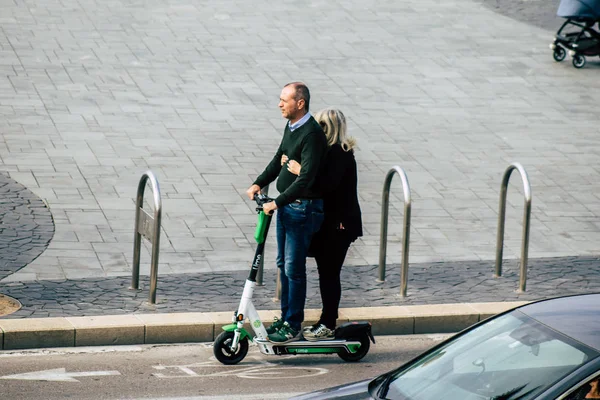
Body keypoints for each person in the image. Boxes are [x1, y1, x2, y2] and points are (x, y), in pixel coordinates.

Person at [246, 82, 327, 343]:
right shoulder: (292, 127)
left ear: (300, 103)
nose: (280, 104)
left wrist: (277, 202)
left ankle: (293, 324)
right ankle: (285, 318)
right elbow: (278, 157)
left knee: (293, 268)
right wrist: (258, 182)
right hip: (286, 207)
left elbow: (305, 180)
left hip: (301, 209)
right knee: (282, 265)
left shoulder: (311, 134)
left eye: (284, 100)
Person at [281, 108, 363, 341]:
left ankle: (328, 322)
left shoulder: (340, 153)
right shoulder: (327, 151)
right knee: (322, 271)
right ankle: (323, 320)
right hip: (328, 223)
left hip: (339, 225)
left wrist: (300, 171)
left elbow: (326, 186)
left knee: (329, 273)